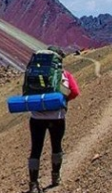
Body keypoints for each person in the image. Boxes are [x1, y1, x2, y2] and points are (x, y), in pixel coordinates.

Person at [27, 46, 80, 193]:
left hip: (36, 117)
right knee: (56, 146)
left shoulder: (35, 73)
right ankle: (55, 177)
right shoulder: (64, 74)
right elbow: (75, 92)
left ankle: (33, 184)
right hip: (57, 117)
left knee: (36, 149)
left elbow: (27, 91)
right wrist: (61, 99)